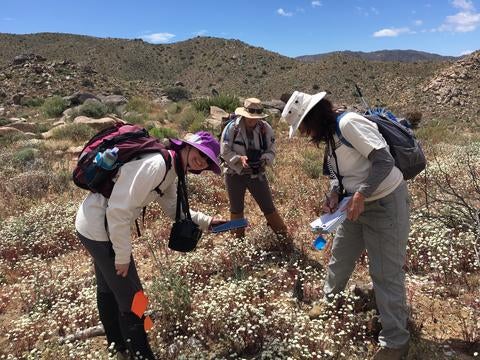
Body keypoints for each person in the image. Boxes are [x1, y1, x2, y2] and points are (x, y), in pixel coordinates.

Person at [282, 91, 410, 360]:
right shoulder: (330, 138)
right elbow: (341, 176)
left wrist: (361, 194)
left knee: (386, 273)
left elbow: (384, 160)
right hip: (353, 205)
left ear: (313, 118)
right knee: (340, 257)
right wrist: (333, 196)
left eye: (304, 128)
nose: (305, 134)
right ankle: (329, 302)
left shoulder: (348, 123)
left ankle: (396, 342)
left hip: (385, 203)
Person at [75, 131, 225, 360]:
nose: (201, 162)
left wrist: (206, 222)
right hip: (99, 229)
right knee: (135, 297)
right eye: (201, 154)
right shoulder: (157, 165)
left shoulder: (171, 168)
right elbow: (119, 210)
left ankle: (117, 346)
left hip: (96, 225)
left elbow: (174, 207)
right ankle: (141, 353)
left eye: (207, 161)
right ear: (187, 146)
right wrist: (122, 257)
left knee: (108, 287)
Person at [220, 98, 290, 245]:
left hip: (257, 174)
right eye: (250, 118)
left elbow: (272, 150)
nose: (253, 121)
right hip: (234, 174)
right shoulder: (232, 128)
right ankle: (238, 242)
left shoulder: (265, 128)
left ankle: (284, 239)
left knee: (268, 207)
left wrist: (264, 158)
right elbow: (224, 151)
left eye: (256, 118)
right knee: (236, 209)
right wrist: (239, 159)